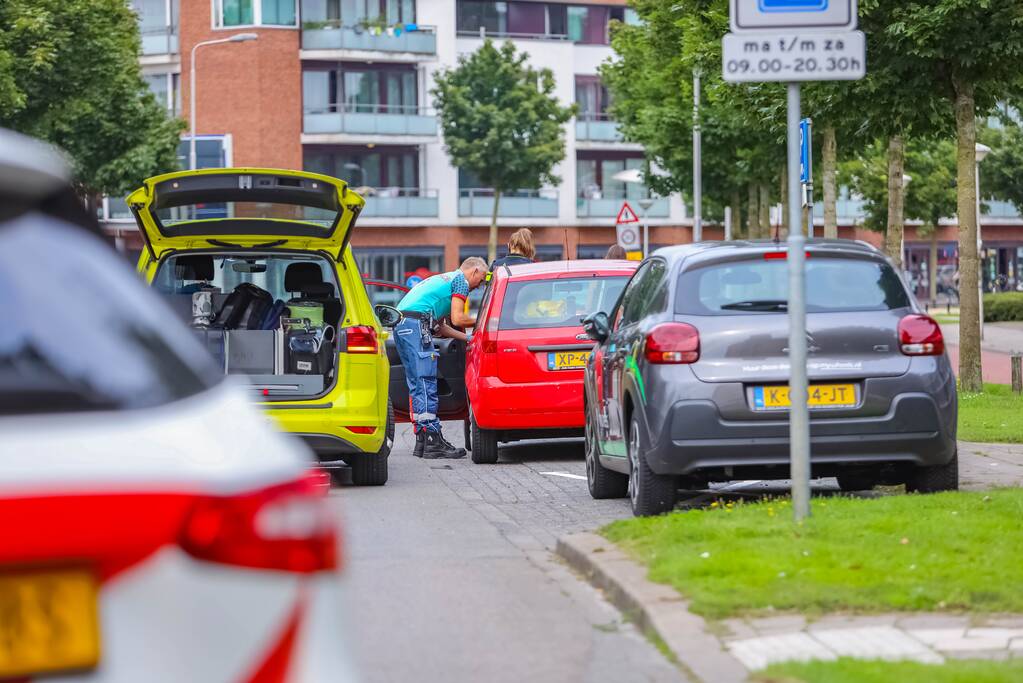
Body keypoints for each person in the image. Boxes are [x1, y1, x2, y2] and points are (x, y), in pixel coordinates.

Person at [395, 257, 488, 459]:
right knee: (427, 380)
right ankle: (433, 440)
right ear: (474, 272)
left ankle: (423, 440)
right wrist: (485, 321)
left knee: (417, 383)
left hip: (403, 325)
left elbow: (443, 327)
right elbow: (458, 319)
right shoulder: (460, 281)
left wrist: (470, 338)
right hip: (416, 325)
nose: (479, 286)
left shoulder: (444, 281)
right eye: (480, 280)